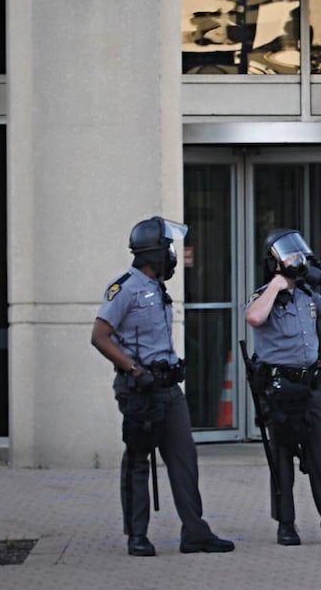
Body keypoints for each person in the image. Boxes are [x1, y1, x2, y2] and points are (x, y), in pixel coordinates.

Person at [92, 216, 235, 557]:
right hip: (140, 390)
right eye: (169, 249)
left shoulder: (157, 288)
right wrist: (134, 370)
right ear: (155, 253)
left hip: (169, 388)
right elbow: (99, 336)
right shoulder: (125, 287)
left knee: (184, 458)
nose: (174, 255)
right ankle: (137, 536)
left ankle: (195, 533)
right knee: (139, 462)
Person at [244, 228, 321, 546]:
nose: (298, 259)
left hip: (311, 387)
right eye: (290, 255)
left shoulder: (309, 296)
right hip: (279, 388)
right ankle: (286, 523)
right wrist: (276, 285)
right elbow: (254, 318)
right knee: (281, 459)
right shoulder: (264, 295)